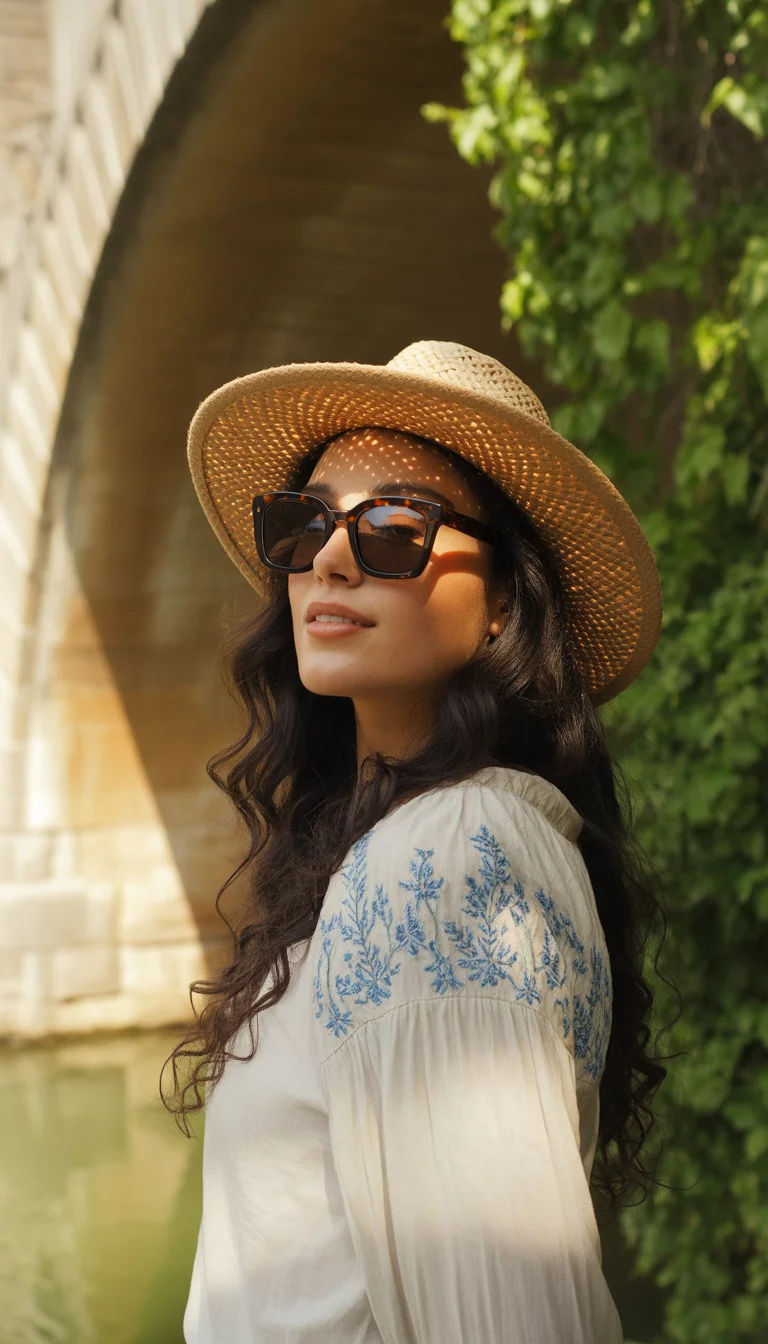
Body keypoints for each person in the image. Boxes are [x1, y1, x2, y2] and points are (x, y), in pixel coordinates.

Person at [167, 339, 668, 1343]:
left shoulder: (448, 858)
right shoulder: (398, 848)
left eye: (396, 527)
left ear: (504, 602)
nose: (330, 558)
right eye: (305, 523)